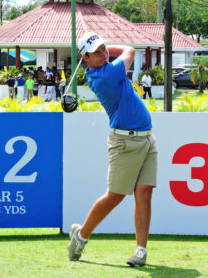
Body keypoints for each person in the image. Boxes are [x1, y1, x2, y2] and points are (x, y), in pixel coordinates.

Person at [67, 32, 157, 268]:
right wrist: (111, 46)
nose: (104, 54)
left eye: (105, 48)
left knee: (145, 193)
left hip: (147, 139)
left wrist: (99, 44)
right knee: (115, 196)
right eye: (97, 52)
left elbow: (123, 53)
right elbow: (129, 50)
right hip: (124, 143)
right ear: (85, 58)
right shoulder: (104, 75)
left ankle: (141, 250)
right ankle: (81, 235)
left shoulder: (106, 66)